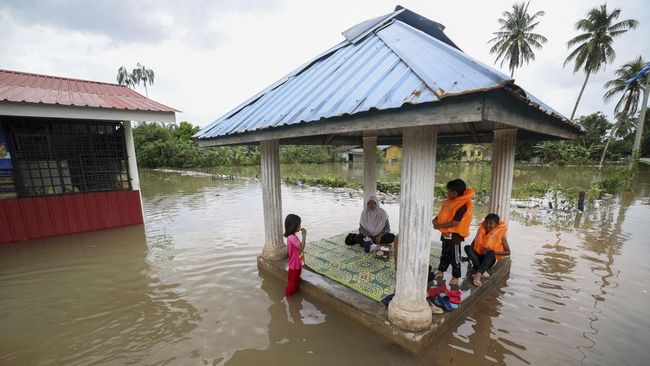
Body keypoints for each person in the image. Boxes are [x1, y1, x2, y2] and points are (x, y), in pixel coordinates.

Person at [433, 179, 475, 285]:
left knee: (455, 256)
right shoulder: (450, 201)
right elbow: (444, 213)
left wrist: (439, 225)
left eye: (448, 191)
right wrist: (436, 219)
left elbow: (456, 222)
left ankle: (455, 276)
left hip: (455, 235)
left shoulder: (462, 205)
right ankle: (441, 271)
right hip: (446, 234)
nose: (447, 193)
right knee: (445, 253)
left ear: (454, 193)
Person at [464, 213, 510, 287]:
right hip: (478, 258)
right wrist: (468, 257)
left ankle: (478, 275)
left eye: (491, 223)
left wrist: (493, 251)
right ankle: (483, 271)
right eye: (486, 223)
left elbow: (508, 252)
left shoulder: (501, 235)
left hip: (489, 259)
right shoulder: (481, 231)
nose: (488, 225)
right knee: (467, 247)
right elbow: (473, 244)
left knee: (491, 252)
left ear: (496, 225)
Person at [284, 214, 307, 297]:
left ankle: (294, 299)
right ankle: (288, 298)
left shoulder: (292, 236)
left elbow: (298, 251)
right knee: (292, 284)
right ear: (294, 226)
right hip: (294, 266)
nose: (300, 226)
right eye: (299, 224)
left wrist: (302, 262)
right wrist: (304, 235)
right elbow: (301, 248)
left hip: (295, 264)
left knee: (294, 282)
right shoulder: (292, 237)